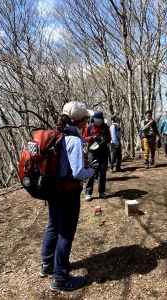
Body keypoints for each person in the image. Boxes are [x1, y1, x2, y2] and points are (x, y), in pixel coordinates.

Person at [40, 101, 94, 292]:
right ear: (80, 121)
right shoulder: (74, 140)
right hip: (68, 192)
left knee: (53, 226)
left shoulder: (57, 135)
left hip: (53, 190)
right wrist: (92, 172)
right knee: (66, 233)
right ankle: (60, 279)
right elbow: (79, 171)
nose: (87, 122)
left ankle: (47, 265)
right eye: (86, 119)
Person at [83, 111, 111, 201]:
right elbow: (84, 138)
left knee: (103, 172)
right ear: (93, 119)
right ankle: (88, 193)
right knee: (92, 171)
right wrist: (93, 137)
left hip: (103, 152)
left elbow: (109, 138)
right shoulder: (89, 127)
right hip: (92, 152)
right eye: (96, 120)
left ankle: (102, 192)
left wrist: (104, 139)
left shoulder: (105, 127)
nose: (98, 122)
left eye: (100, 120)